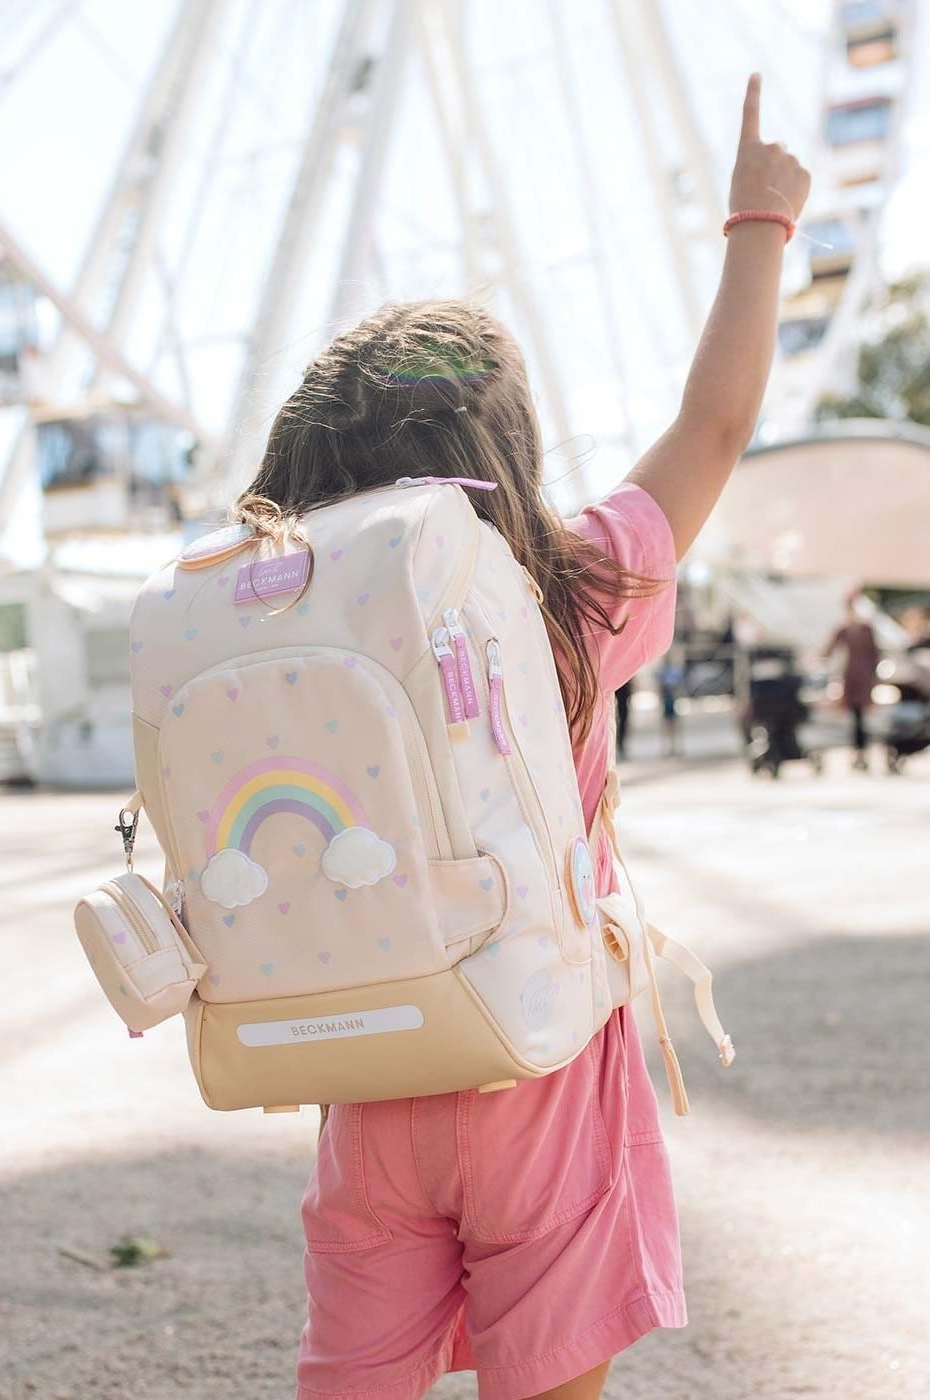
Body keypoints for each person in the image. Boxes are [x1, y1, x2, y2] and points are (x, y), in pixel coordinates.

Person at [243, 74, 809, 1400]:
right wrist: (757, 223)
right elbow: (713, 426)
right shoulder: (568, 588)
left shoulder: (282, 621)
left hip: (370, 1065)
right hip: (537, 1058)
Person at [825, 586, 881, 771]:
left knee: (860, 717)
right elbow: (828, 649)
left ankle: (862, 752)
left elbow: (874, 654)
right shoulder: (845, 627)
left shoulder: (864, 628)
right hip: (852, 677)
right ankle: (859, 752)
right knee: (856, 717)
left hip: (862, 676)